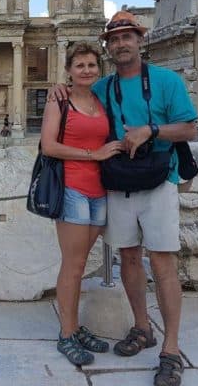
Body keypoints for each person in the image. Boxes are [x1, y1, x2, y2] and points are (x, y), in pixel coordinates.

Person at [51, 11, 198, 386]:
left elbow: (190, 128)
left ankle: (171, 349)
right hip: (117, 185)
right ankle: (141, 327)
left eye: (127, 37)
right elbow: (76, 98)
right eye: (114, 40)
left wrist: (151, 130)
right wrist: (58, 89)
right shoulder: (102, 88)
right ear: (109, 47)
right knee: (129, 259)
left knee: (163, 264)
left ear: (140, 40)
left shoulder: (166, 81)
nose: (121, 44)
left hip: (159, 182)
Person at [42, 42, 122, 368]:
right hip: (73, 188)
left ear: (98, 69)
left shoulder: (100, 100)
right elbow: (48, 146)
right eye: (80, 65)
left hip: (99, 190)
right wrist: (94, 155)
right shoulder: (60, 101)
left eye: (91, 64)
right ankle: (66, 333)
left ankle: (74, 327)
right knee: (72, 265)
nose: (86, 70)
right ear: (69, 70)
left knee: (80, 263)